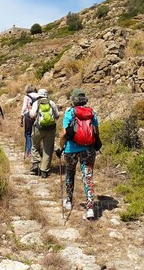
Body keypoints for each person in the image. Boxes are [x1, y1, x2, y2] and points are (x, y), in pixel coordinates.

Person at [58, 88, 99, 220]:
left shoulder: (70, 112)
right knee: (87, 177)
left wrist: (61, 146)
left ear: (73, 100)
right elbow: (96, 131)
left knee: (70, 174)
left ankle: (69, 201)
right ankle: (90, 208)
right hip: (88, 150)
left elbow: (64, 133)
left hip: (71, 150)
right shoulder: (91, 112)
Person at [29, 88, 59, 178]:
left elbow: (33, 115)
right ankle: (44, 171)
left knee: (35, 145)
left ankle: (35, 163)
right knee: (48, 149)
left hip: (38, 128)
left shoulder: (36, 103)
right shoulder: (51, 103)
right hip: (50, 129)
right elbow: (57, 115)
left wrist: (30, 110)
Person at [20, 85, 39, 159]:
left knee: (28, 134)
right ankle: (37, 151)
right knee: (37, 133)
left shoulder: (27, 96)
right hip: (38, 116)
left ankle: (28, 152)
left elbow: (24, 108)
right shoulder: (39, 96)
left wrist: (21, 118)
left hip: (28, 115)